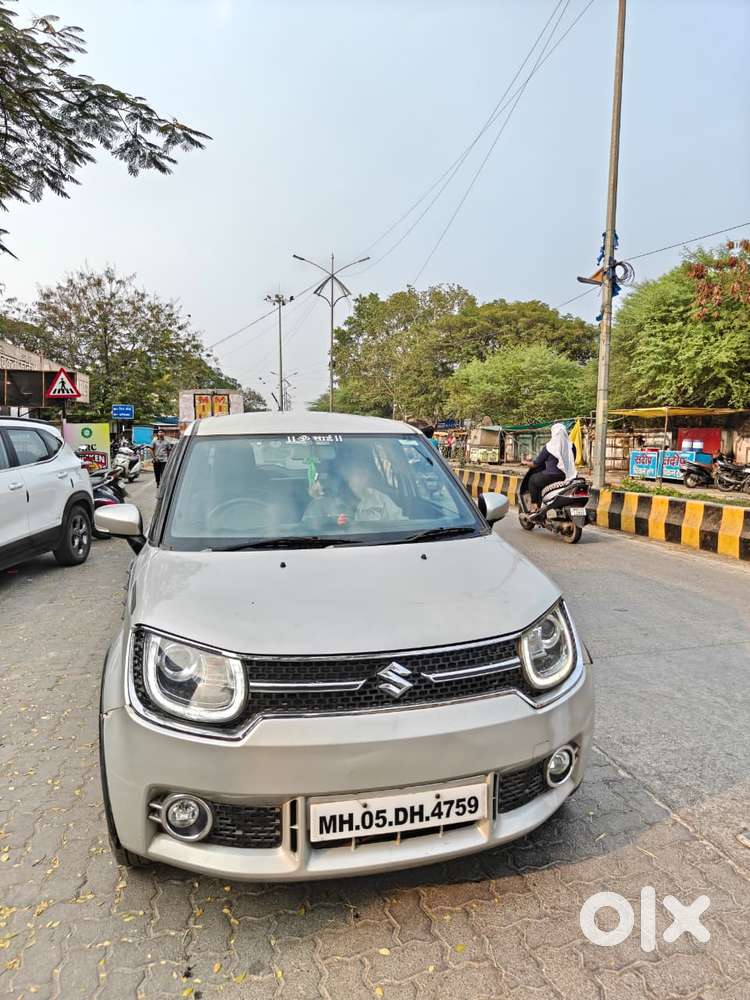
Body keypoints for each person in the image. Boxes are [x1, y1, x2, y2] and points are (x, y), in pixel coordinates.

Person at [523, 422, 577, 510]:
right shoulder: (571, 446)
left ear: (553, 433)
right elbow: (573, 459)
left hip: (552, 476)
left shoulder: (550, 446)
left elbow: (535, 464)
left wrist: (525, 462)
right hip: (568, 476)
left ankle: (534, 506)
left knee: (532, 480)